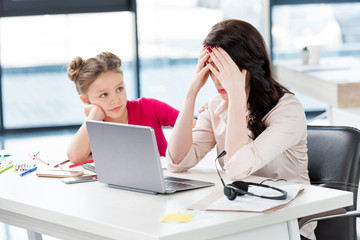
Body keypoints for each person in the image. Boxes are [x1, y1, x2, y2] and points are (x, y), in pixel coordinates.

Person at [166, 20, 316, 240]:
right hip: (240, 219)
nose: (217, 80)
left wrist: (236, 93)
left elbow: (236, 169)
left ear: (249, 68)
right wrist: (191, 93)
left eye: (224, 70)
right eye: (212, 69)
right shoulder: (217, 106)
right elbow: (177, 162)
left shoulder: (287, 110)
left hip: (287, 226)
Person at [67, 52, 179, 163]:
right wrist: (94, 115)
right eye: (104, 95)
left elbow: (192, 126)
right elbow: (75, 156)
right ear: (85, 100)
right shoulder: (94, 125)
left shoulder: (149, 107)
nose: (116, 100)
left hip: (166, 178)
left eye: (119, 89)